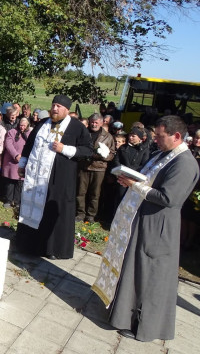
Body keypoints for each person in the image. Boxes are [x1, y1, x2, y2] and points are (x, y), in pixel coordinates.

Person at [93, 115, 199, 342]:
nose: (155, 140)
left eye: (159, 137)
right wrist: (129, 179)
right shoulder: (163, 153)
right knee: (134, 270)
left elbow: (168, 198)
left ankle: (144, 327)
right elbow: (147, 178)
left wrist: (135, 185)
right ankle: (123, 314)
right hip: (143, 220)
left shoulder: (185, 163)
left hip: (158, 228)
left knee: (150, 277)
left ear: (176, 136)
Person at [16, 95, 93, 259]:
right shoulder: (43, 123)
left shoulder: (77, 127)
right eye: (53, 105)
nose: (54, 109)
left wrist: (65, 149)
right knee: (33, 207)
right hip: (35, 177)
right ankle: (27, 244)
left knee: (51, 212)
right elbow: (29, 145)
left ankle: (51, 248)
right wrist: (22, 164)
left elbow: (88, 151)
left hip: (59, 180)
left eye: (58, 106)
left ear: (67, 109)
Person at [76, 113, 116, 222]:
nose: (94, 124)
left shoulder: (108, 137)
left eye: (96, 123)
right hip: (83, 166)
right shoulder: (84, 133)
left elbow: (112, 154)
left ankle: (91, 215)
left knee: (95, 193)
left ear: (101, 123)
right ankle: (80, 213)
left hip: (99, 168)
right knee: (80, 192)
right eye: (92, 122)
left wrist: (101, 155)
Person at [1, 117, 31, 209]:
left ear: (27, 125)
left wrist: (24, 156)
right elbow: (8, 144)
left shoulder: (30, 134)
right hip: (11, 160)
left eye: (24, 126)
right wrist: (16, 155)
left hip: (23, 161)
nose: (22, 127)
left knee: (20, 182)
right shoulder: (12, 132)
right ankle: (8, 200)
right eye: (21, 125)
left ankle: (17, 201)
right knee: (10, 181)